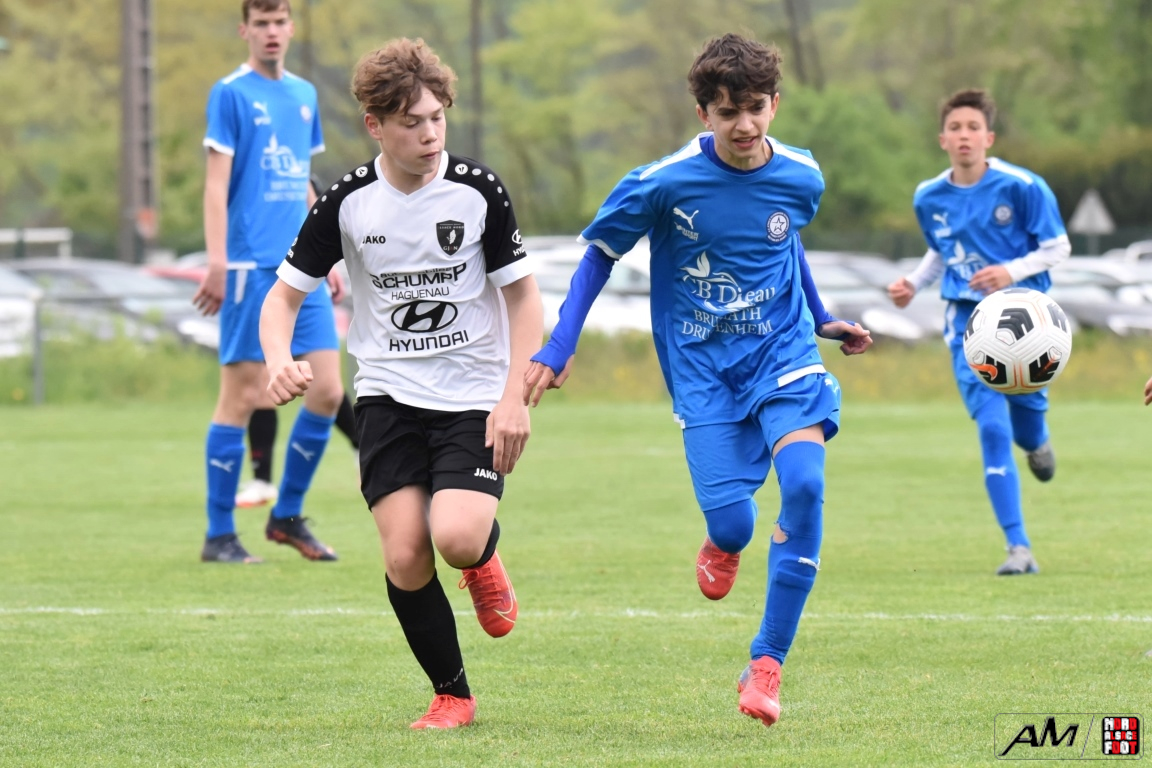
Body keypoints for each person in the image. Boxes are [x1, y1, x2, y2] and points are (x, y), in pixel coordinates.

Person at [523, 33, 872, 728]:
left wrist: (822, 318)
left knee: (805, 486)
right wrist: (560, 343)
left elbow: (786, 242)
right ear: (702, 113)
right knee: (734, 525)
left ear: (775, 104)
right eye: (727, 111)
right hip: (702, 369)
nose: (744, 125)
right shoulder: (663, 182)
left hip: (783, 354)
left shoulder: (803, 175)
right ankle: (724, 541)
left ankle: (766, 663)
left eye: (755, 108)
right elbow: (599, 253)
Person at [259, 38, 541, 730]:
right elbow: (282, 298)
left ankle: (482, 555)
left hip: (472, 394)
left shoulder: (477, 190)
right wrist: (276, 359)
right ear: (375, 125)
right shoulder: (349, 202)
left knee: (456, 537)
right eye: (412, 122)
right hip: (387, 396)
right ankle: (453, 695)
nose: (430, 134)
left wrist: (514, 396)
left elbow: (524, 297)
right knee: (406, 553)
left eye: (437, 118)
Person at [886, 88, 1070, 577]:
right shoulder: (928, 197)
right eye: (955, 128)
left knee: (1026, 429)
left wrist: (1010, 271)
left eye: (973, 127)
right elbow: (942, 250)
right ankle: (1018, 547)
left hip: (1030, 326)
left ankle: (1037, 442)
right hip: (970, 329)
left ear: (989, 138)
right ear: (942, 139)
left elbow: (1057, 247)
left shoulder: (1023, 186)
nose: (964, 135)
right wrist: (914, 283)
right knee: (992, 428)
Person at [193, 0, 344, 564]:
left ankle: (287, 516)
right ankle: (218, 535)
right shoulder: (230, 93)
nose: (272, 32)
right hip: (248, 267)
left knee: (327, 392)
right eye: (262, 24)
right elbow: (215, 185)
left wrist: (326, 254)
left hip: (300, 268)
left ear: (291, 28)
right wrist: (217, 261)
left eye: (280, 22)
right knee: (241, 398)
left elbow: (304, 182)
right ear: (246, 31)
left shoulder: (304, 95)